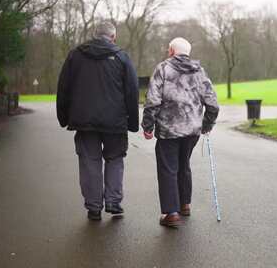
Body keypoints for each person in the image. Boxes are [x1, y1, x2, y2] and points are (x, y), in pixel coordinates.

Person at [56, 20, 139, 221]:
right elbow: (132, 91)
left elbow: (63, 88)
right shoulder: (121, 57)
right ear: (113, 36)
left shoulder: (75, 55)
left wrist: (64, 117)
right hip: (115, 122)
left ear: (94, 34)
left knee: (89, 162)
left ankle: (94, 207)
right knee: (115, 159)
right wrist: (133, 123)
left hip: (84, 121)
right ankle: (113, 202)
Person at [142, 37, 219, 228]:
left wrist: (148, 126)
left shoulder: (163, 69)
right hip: (192, 130)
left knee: (168, 168)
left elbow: (152, 100)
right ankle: (185, 204)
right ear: (188, 52)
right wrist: (206, 125)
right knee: (183, 164)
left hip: (169, 129)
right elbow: (213, 104)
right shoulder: (199, 72)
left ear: (170, 51)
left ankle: (171, 213)